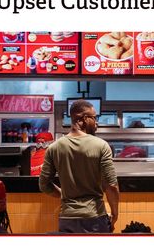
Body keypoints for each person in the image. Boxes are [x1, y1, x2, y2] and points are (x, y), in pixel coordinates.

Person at [39, 99, 119, 233]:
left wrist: (64, 195)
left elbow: (44, 185)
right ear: (85, 118)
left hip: (67, 217)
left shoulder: (54, 148)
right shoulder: (101, 145)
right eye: (94, 118)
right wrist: (115, 213)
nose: (96, 122)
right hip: (95, 218)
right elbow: (111, 186)